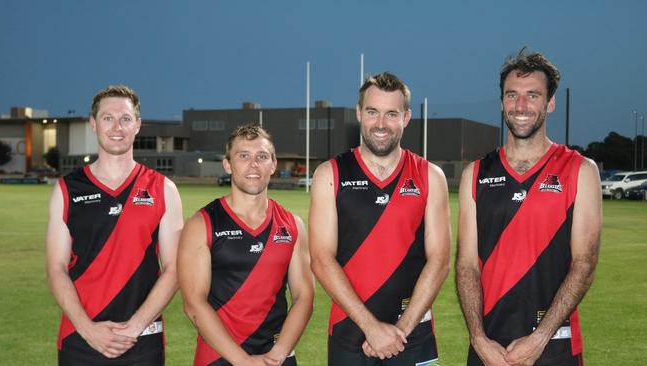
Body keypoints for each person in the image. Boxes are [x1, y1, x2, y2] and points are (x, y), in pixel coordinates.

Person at [455, 49, 602, 366]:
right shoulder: (475, 175)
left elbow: (584, 263)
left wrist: (540, 337)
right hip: (488, 348)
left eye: (532, 95)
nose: (521, 105)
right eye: (512, 95)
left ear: (550, 103)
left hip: (553, 346)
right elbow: (467, 265)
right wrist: (478, 338)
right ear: (502, 103)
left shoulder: (580, 171)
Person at [309, 72, 451, 365]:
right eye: (372, 112)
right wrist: (371, 328)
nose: (381, 124)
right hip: (349, 334)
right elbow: (321, 259)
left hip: (414, 336)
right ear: (360, 113)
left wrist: (401, 330)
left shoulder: (430, 176)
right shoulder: (330, 175)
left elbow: (440, 260)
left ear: (406, 117)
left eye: (391, 114)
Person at [46, 85, 184, 365]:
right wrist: (88, 329)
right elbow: (56, 267)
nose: (117, 127)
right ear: (93, 124)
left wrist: (134, 326)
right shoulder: (66, 190)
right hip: (80, 337)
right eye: (108, 118)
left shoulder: (163, 189)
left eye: (126, 118)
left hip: (142, 340)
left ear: (138, 125)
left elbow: (175, 268)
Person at [178, 125, 314, 366]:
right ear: (228, 164)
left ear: (273, 165)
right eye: (243, 156)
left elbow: (304, 296)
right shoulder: (202, 224)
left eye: (262, 156)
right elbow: (194, 305)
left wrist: (279, 353)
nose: (253, 164)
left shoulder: (293, 225)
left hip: (276, 357)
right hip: (218, 357)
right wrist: (242, 361)